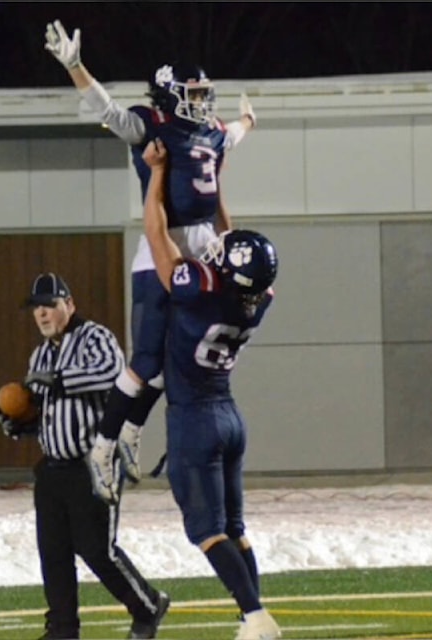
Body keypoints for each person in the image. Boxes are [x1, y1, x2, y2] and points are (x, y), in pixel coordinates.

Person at [43, 19, 257, 502]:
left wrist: (247, 122)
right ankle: (103, 444)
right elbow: (109, 113)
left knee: (177, 358)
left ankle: (130, 429)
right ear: (169, 94)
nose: (201, 102)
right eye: (193, 93)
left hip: (204, 247)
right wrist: (76, 67)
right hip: (163, 246)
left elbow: (233, 137)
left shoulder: (212, 132)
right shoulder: (153, 126)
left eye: (204, 94)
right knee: (145, 359)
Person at [139, 137, 282, 640]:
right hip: (228, 416)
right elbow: (231, 241)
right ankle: (254, 616)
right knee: (235, 531)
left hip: (196, 419)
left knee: (206, 530)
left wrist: (156, 172)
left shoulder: (199, 292)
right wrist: (216, 187)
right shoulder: (256, 299)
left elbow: (156, 234)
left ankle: (256, 617)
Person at [0, 271, 169, 640]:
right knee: (53, 553)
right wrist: (18, 423)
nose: (42, 314)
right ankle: (62, 630)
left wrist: (57, 381)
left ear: (69, 305)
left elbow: (111, 375)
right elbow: (44, 411)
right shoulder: (39, 354)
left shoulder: (97, 337)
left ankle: (148, 605)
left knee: (97, 550)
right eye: (36, 308)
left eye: (50, 306)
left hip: (93, 465)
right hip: (53, 468)